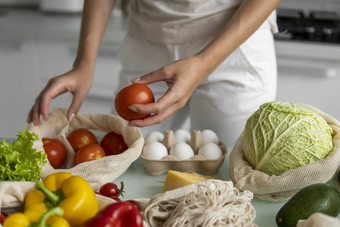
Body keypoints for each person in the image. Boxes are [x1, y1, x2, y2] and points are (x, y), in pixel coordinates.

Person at [27, 0, 281, 146]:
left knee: (233, 173)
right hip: (149, 40)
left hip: (233, 44)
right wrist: (84, 63)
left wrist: (204, 63)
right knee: (123, 159)